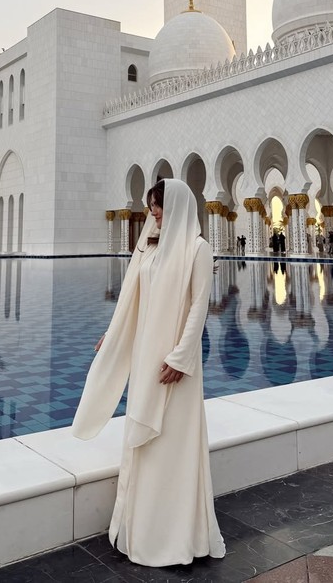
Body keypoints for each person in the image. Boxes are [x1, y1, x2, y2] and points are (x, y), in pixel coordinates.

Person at [72, 179, 225, 567]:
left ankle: (175, 538)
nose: (153, 212)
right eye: (151, 206)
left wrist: (181, 357)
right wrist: (114, 334)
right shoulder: (149, 247)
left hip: (175, 363)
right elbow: (130, 299)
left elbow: (198, 306)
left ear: (177, 207)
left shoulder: (197, 249)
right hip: (145, 357)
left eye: (158, 206)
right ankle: (140, 531)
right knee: (143, 443)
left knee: (172, 444)